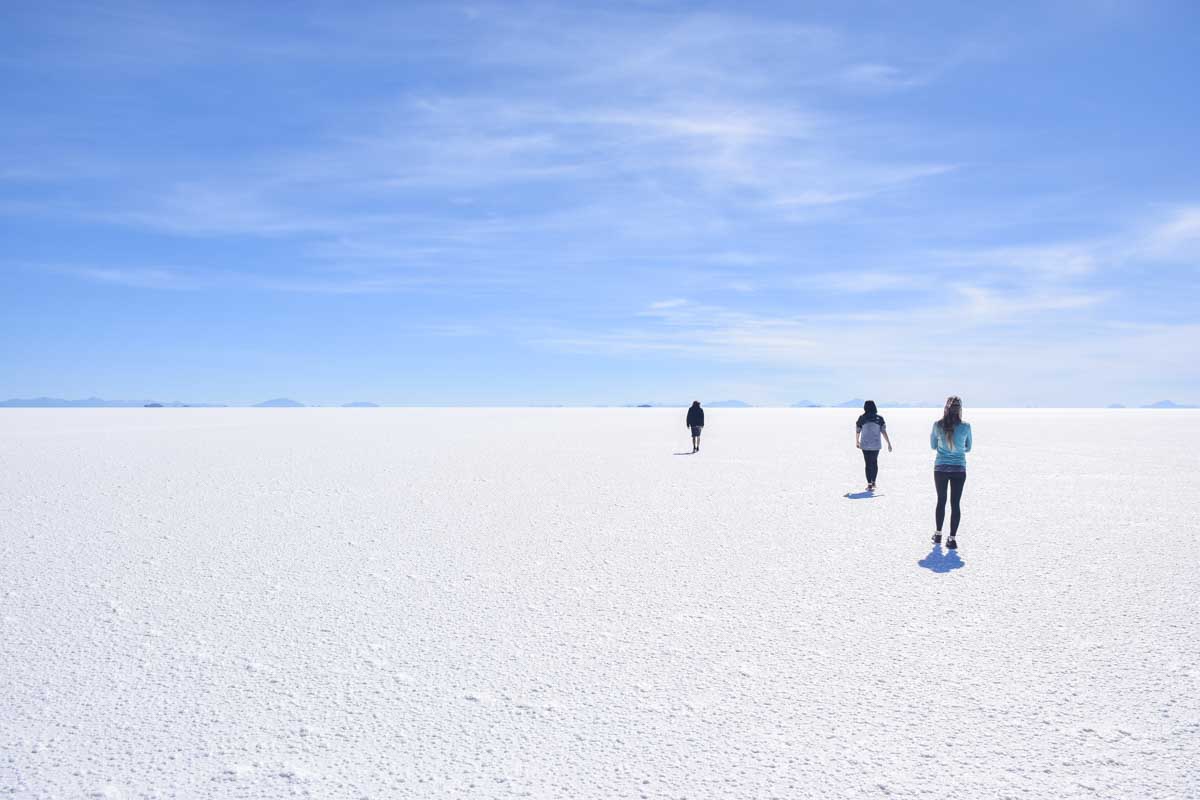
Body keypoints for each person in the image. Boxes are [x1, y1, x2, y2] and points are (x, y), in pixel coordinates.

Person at [930, 396, 972, 549]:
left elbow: (933, 445)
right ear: (959, 409)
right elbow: (968, 448)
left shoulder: (937, 425)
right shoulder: (966, 426)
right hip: (959, 468)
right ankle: (952, 538)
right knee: (955, 503)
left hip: (940, 467)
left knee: (941, 501)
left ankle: (938, 534)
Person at [855, 400, 892, 491]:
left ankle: (869, 484)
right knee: (874, 462)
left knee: (868, 464)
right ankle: (874, 481)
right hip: (876, 444)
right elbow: (883, 431)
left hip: (865, 444)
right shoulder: (879, 418)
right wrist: (888, 443)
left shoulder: (862, 418)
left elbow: (857, 431)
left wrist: (857, 441)